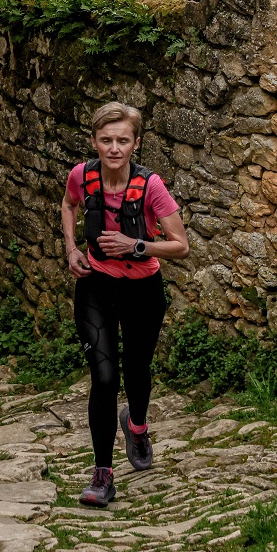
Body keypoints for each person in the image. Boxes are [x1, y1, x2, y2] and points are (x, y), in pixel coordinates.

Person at [62, 101, 189, 507]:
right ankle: (102, 474)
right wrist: (71, 249)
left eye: (122, 140)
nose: (114, 148)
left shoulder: (151, 186)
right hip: (96, 285)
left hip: (142, 289)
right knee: (103, 378)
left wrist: (136, 245)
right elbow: (68, 204)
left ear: (136, 143)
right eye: (106, 140)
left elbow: (180, 245)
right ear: (94, 141)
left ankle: (136, 425)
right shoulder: (82, 176)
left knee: (136, 371)